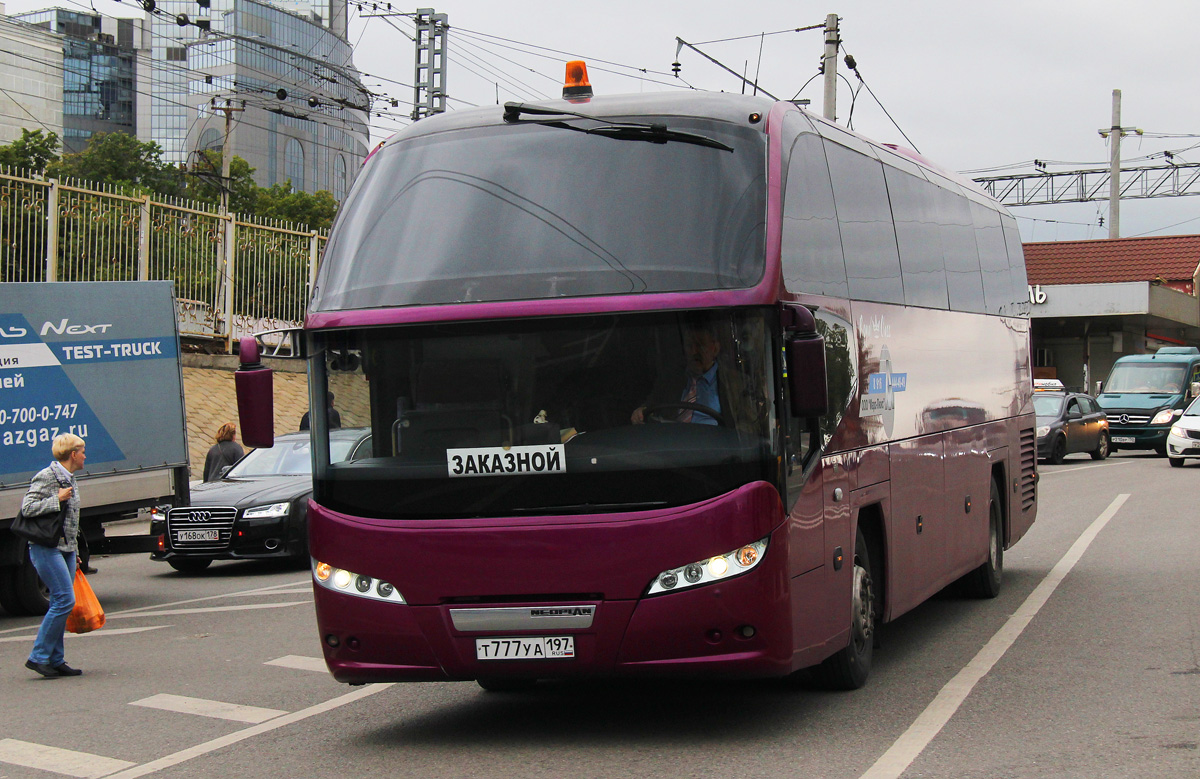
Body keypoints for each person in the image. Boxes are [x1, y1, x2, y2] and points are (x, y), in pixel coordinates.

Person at [23, 433, 86, 678]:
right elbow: (27, 508)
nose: (84, 456)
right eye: (82, 451)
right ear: (72, 454)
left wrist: (76, 551)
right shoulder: (48, 476)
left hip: (66, 548)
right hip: (46, 546)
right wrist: (55, 499)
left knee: (63, 603)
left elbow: (71, 520)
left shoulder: (70, 477)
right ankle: (38, 657)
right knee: (63, 600)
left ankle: (55, 659)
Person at [631, 324, 723, 426]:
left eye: (700, 345)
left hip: (712, 440)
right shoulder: (671, 377)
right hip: (671, 439)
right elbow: (651, 404)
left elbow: (741, 425)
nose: (693, 352)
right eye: (689, 346)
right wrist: (640, 412)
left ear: (715, 348)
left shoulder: (732, 383)